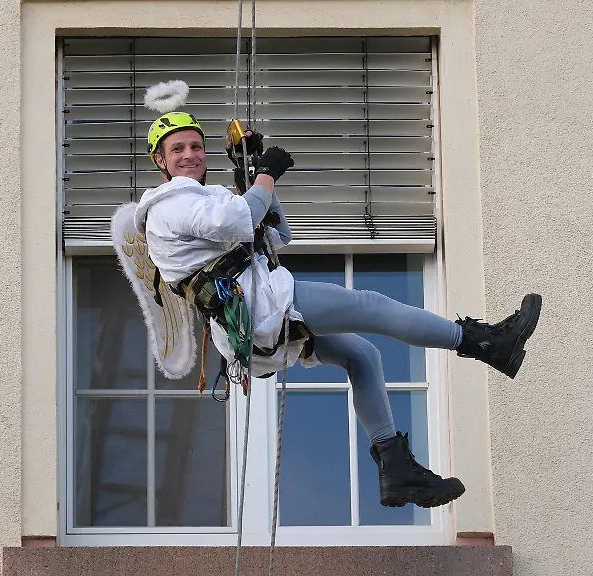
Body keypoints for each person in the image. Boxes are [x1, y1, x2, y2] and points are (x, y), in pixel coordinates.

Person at [132, 111, 542, 509]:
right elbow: (238, 220)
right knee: (371, 306)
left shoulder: (208, 199)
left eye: (196, 146)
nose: (190, 155)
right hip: (260, 308)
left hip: (254, 323)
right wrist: (265, 175)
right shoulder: (169, 202)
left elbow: (277, 233)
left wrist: (248, 176)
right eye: (177, 149)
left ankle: (395, 467)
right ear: (160, 161)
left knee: (362, 354)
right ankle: (483, 342)